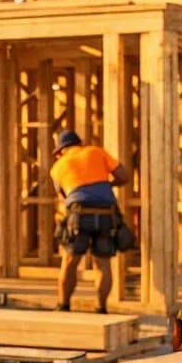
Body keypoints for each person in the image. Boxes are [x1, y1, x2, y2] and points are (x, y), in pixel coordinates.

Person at [48, 130, 131, 314]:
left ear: (60, 151)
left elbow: (64, 198)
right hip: (106, 214)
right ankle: (101, 307)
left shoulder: (57, 167)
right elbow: (124, 176)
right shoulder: (96, 152)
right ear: (80, 143)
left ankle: (63, 305)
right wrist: (108, 185)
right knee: (103, 263)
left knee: (70, 261)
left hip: (79, 215)